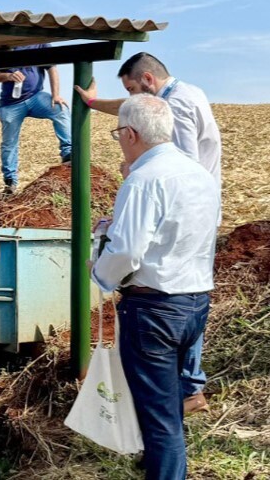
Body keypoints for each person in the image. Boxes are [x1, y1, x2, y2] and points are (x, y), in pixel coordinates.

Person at [76, 52, 222, 412]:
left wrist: (100, 272)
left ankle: (188, 388)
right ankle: (184, 389)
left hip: (184, 216)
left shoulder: (179, 107)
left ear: (148, 80)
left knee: (174, 283)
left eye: (130, 88)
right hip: (196, 213)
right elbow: (136, 112)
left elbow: (180, 162)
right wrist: (93, 102)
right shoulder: (184, 93)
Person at [91, 94, 220, 480]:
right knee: (168, 407)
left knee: (160, 420)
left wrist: (100, 270)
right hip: (194, 301)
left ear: (130, 133)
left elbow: (128, 250)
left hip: (152, 308)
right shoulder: (199, 174)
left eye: (118, 134)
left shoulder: (144, 179)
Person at [0, 44, 72, 194]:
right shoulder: (5, 44)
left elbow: (52, 68)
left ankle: (68, 152)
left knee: (60, 109)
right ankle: (10, 182)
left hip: (36, 97)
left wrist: (55, 94)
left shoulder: (40, 43)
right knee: (9, 142)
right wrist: (8, 76)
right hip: (10, 103)